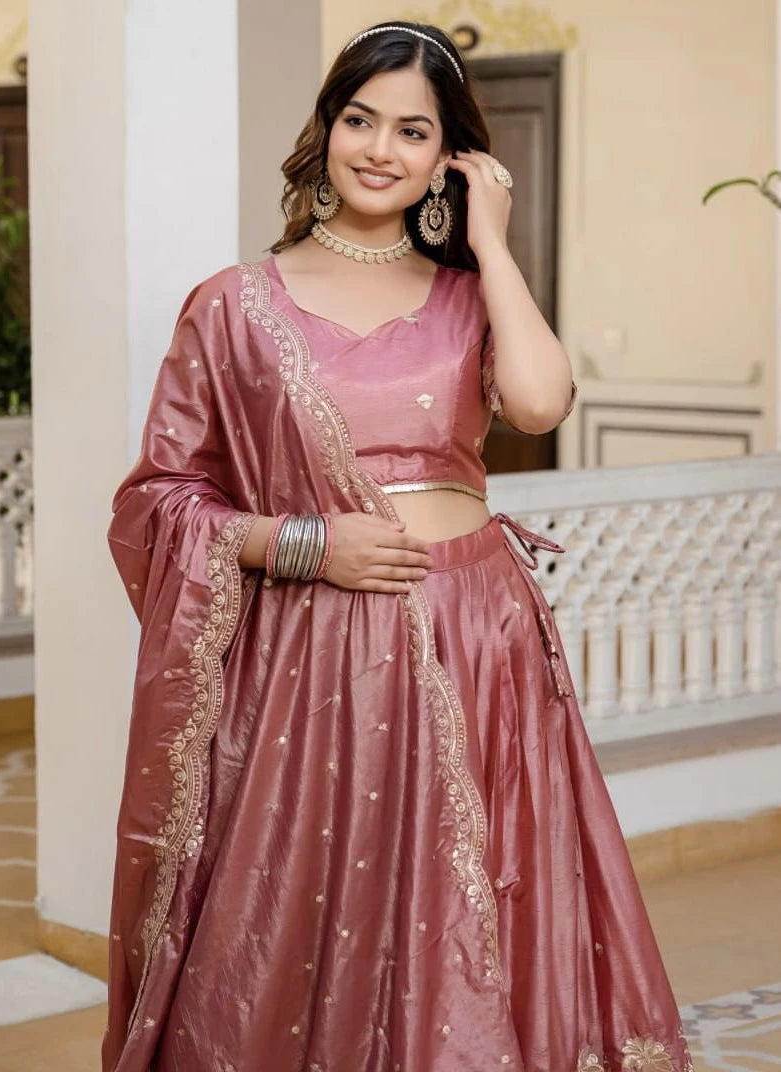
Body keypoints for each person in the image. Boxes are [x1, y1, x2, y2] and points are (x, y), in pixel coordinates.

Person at [102, 21, 693, 1072]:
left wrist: (494, 240)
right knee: (316, 896)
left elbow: (539, 400)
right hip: (317, 645)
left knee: (474, 894)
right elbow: (158, 499)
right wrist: (301, 544)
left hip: (478, 634)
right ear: (325, 130)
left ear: (448, 157)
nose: (378, 148)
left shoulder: (471, 295)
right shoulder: (234, 306)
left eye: (411, 131)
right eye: (359, 119)